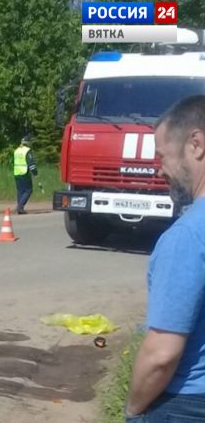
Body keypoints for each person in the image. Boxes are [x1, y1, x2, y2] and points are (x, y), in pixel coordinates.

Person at [124, 95, 205, 421]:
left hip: (186, 404)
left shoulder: (188, 236)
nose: (160, 170)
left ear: (196, 144)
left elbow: (161, 354)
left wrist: (133, 409)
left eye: (163, 156)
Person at [13, 135, 38, 214]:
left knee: (20, 191)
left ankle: (20, 208)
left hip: (17, 173)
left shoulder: (16, 150)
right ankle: (20, 206)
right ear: (28, 143)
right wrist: (35, 172)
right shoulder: (27, 151)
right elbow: (31, 163)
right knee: (28, 190)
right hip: (24, 173)